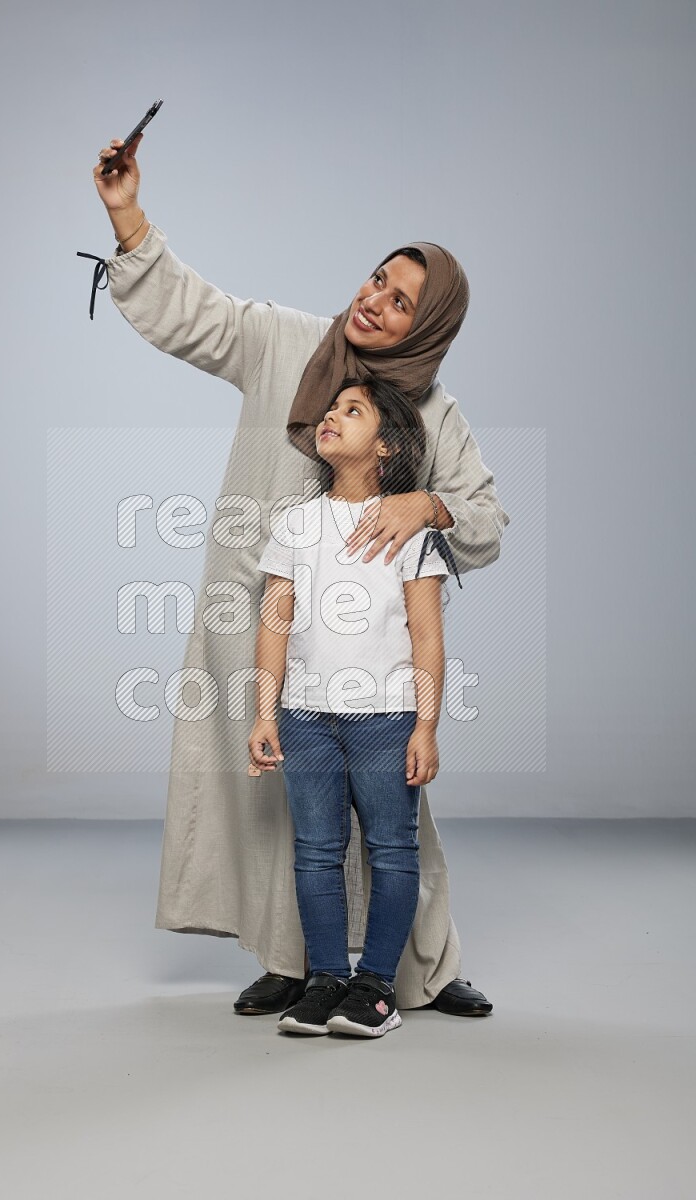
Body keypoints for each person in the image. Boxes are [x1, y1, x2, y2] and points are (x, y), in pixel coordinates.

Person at [88, 132, 510, 1018]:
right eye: (375, 280)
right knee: (281, 803)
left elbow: (484, 521)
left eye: (400, 303)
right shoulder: (286, 344)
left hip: (374, 652)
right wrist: (127, 215)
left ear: (426, 328)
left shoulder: (431, 414)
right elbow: (194, 313)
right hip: (259, 621)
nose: (374, 302)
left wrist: (425, 505)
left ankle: (420, 968)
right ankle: (292, 962)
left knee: (396, 814)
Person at [249, 373, 452, 1037]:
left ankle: (376, 990)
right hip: (307, 719)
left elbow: (426, 635)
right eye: (333, 408)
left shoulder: (409, 530)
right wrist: (265, 714)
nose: (332, 416)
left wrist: (425, 725)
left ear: (386, 445)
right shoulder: (296, 524)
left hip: (388, 718)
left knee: (393, 850)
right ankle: (326, 978)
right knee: (316, 851)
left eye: (352, 410)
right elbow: (275, 621)